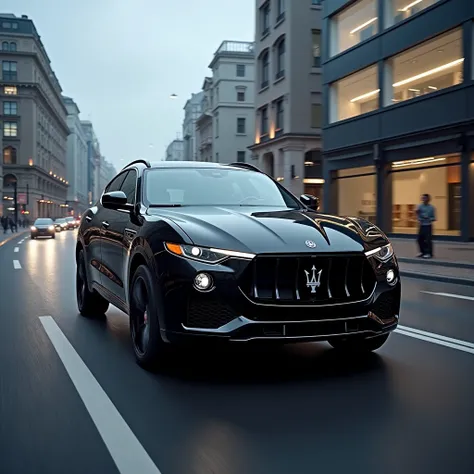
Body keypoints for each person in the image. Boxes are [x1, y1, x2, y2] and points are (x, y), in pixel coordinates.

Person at [416, 193, 436, 258]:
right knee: (419, 239)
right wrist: (418, 216)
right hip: (421, 225)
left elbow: (434, 218)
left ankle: (429, 253)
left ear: (428, 199)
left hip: (428, 225)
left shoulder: (432, 208)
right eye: (422, 198)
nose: (423, 199)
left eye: (425, 198)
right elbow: (417, 214)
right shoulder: (419, 206)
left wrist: (428, 218)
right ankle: (422, 252)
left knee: (428, 240)